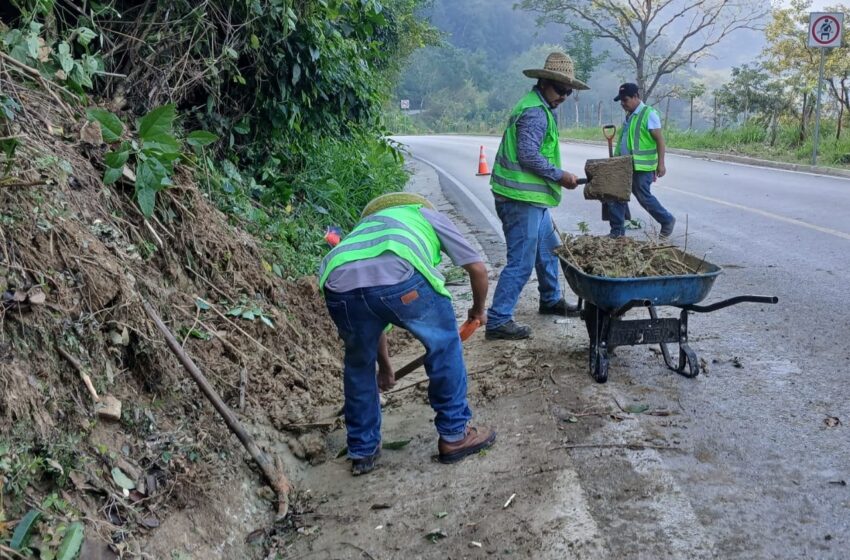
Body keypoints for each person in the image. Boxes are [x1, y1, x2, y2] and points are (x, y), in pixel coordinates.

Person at [318, 192, 495, 475]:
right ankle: (455, 435)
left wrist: (385, 369)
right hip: (401, 280)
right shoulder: (424, 213)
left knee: (358, 365)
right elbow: (477, 268)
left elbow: (375, 314)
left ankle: (363, 451)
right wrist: (477, 311)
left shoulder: (362, 231)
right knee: (444, 347)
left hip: (338, 286)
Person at [486, 51, 588, 341]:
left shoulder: (541, 107)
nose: (565, 96)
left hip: (533, 200)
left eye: (569, 91)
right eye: (561, 89)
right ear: (544, 82)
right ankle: (498, 319)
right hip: (519, 200)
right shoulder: (534, 112)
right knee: (521, 261)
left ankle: (551, 299)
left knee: (548, 250)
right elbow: (528, 155)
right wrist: (560, 175)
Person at [606, 83, 676, 238]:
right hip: (624, 165)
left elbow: (660, 140)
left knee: (643, 196)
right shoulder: (630, 116)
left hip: (642, 167)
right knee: (616, 194)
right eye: (621, 101)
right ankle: (617, 233)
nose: (623, 104)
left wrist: (661, 164)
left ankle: (667, 220)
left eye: (625, 100)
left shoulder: (649, 114)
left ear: (636, 97)